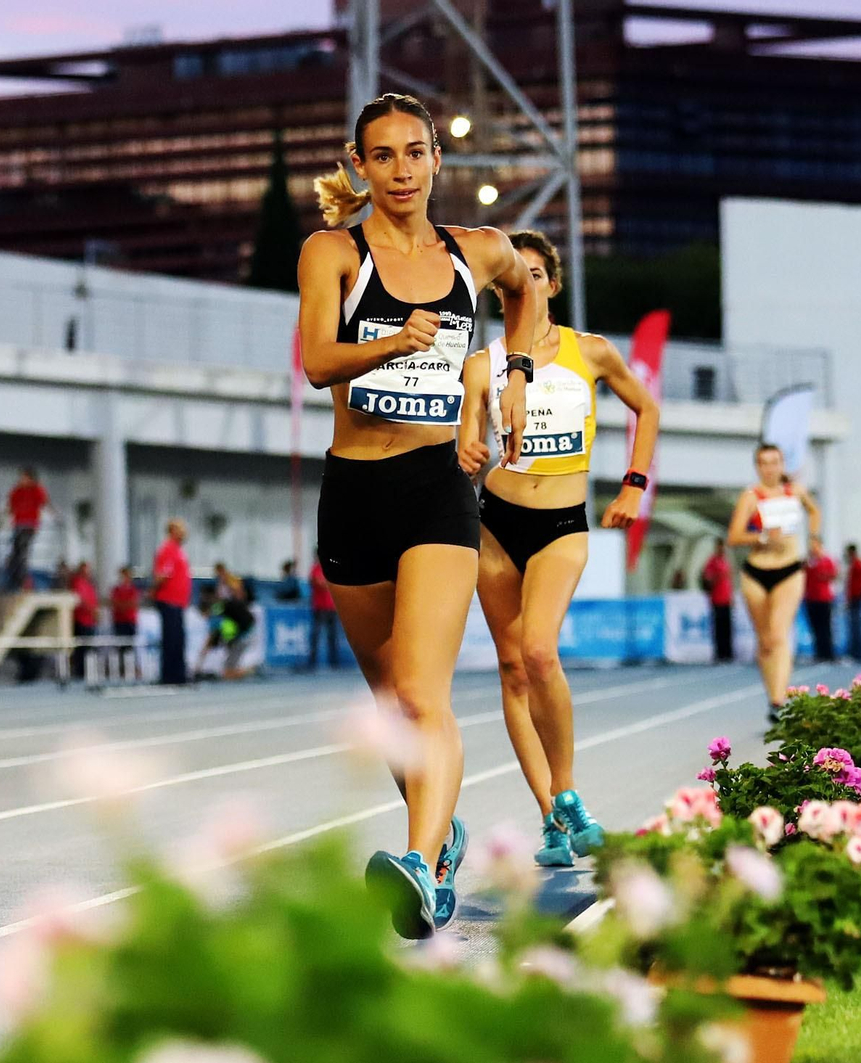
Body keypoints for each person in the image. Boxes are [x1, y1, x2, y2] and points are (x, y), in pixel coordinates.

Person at [299, 92, 542, 938]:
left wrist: (513, 376)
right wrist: (391, 342)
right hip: (353, 491)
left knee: (421, 690)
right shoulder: (333, 251)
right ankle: (437, 842)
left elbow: (528, 296)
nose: (401, 169)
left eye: (415, 152)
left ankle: (418, 865)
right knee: (393, 712)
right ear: (359, 165)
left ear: (439, 159)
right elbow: (316, 362)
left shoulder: (480, 251)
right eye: (384, 155)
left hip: (438, 487)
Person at [458, 229, 659, 870]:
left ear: (554, 282)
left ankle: (567, 793)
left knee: (540, 651)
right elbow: (467, 440)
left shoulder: (591, 352)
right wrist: (468, 451)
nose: (529, 284)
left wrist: (634, 484)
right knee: (513, 669)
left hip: (562, 523)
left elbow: (646, 410)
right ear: (501, 289)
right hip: (495, 523)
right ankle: (549, 818)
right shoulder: (482, 365)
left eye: (539, 273)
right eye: (518, 275)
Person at [726, 444, 822, 722]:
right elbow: (734, 537)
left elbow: (814, 512)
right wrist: (765, 537)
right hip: (756, 571)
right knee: (766, 640)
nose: (770, 468)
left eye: (774, 462)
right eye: (764, 463)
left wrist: (815, 539)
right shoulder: (751, 496)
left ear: (782, 465)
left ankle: (779, 701)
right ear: (758, 466)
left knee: (779, 634)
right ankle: (773, 698)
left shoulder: (796, 491)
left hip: (790, 571)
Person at [152, 518, 192, 685]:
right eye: (180, 529)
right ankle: (170, 676)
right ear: (172, 531)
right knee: (171, 639)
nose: (184, 532)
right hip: (169, 601)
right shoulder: (168, 549)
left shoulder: (178, 550)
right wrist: (153, 591)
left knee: (178, 639)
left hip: (178, 602)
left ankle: (178, 674)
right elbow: (162, 575)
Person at [4, 468, 49, 591]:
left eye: (24, 478)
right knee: (16, 553)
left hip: (29, 525)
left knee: (23, 552)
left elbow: (44, 501)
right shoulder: (17, 490)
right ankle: (16, 580)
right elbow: (10, 505)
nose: (21, 480)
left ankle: (23, 581)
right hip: (18, 524)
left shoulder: (36, 490)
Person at [700, 539, 735, 663]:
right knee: (718, 628)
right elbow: (707, 578)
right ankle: (719, 654)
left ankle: (728, 654)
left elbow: (730, 581)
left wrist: (731, 597)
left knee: (728, 628)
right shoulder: (712, 561)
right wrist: (717, 577)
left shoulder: (726, 561)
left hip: (726, 598)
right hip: (716, 599)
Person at [804, 544, 838, 663]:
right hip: (811, 599)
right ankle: (819, 653)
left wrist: (822, 575)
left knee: (826, 627)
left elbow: (834, 575)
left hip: (824, 599)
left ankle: (828, 653)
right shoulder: (808, 562)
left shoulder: (827, 560)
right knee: (815, 628)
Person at [308, 555, 340, 670]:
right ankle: (312, 662)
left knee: (332, 636)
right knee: (316, 635)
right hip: (320, 607)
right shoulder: (316, 568)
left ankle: (334, 662)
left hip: (331, 606)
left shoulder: (332, 566)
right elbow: (319, 583)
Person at [70, 562, 100, 678]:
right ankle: (80, 673)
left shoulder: (89, 584)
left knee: (88, 649)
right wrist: (93, 611)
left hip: (90, 621)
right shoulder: (78, 583)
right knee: (82, 649)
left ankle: (87, 672)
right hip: (81, 621)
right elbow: (82, 601)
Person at [110, 565, 140, 639]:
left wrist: (123, 605)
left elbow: (133, 603)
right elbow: (115, 602)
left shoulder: (133, 589)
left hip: (130, 620)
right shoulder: (116, 589)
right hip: (119, 620)